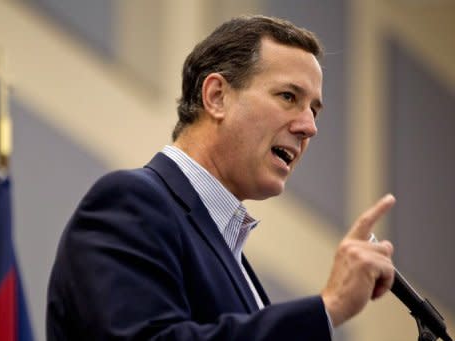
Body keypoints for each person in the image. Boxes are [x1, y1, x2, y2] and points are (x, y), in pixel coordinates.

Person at [47, 15, 396, 340]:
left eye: (314, 110)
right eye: (289, 97)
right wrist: (328, 307)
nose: (309, 127)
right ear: (216, 97)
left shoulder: (233, 258)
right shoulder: (131, 201)